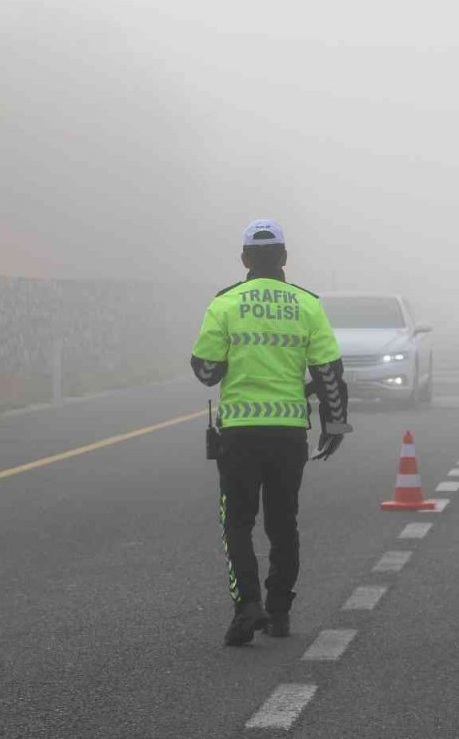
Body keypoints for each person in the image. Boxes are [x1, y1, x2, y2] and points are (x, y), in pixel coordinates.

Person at [190, 219, 351, 646]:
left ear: (244, 259)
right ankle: (280, 614)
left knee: (238, 523)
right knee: (283, 523)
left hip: (239, 434)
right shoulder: (307, 305)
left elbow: (206, 372)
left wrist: (232, 358)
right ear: (283, 258)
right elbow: (329, 372)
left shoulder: (225, 304)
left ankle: (247, 607)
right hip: (289, 433)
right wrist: (333, 423)